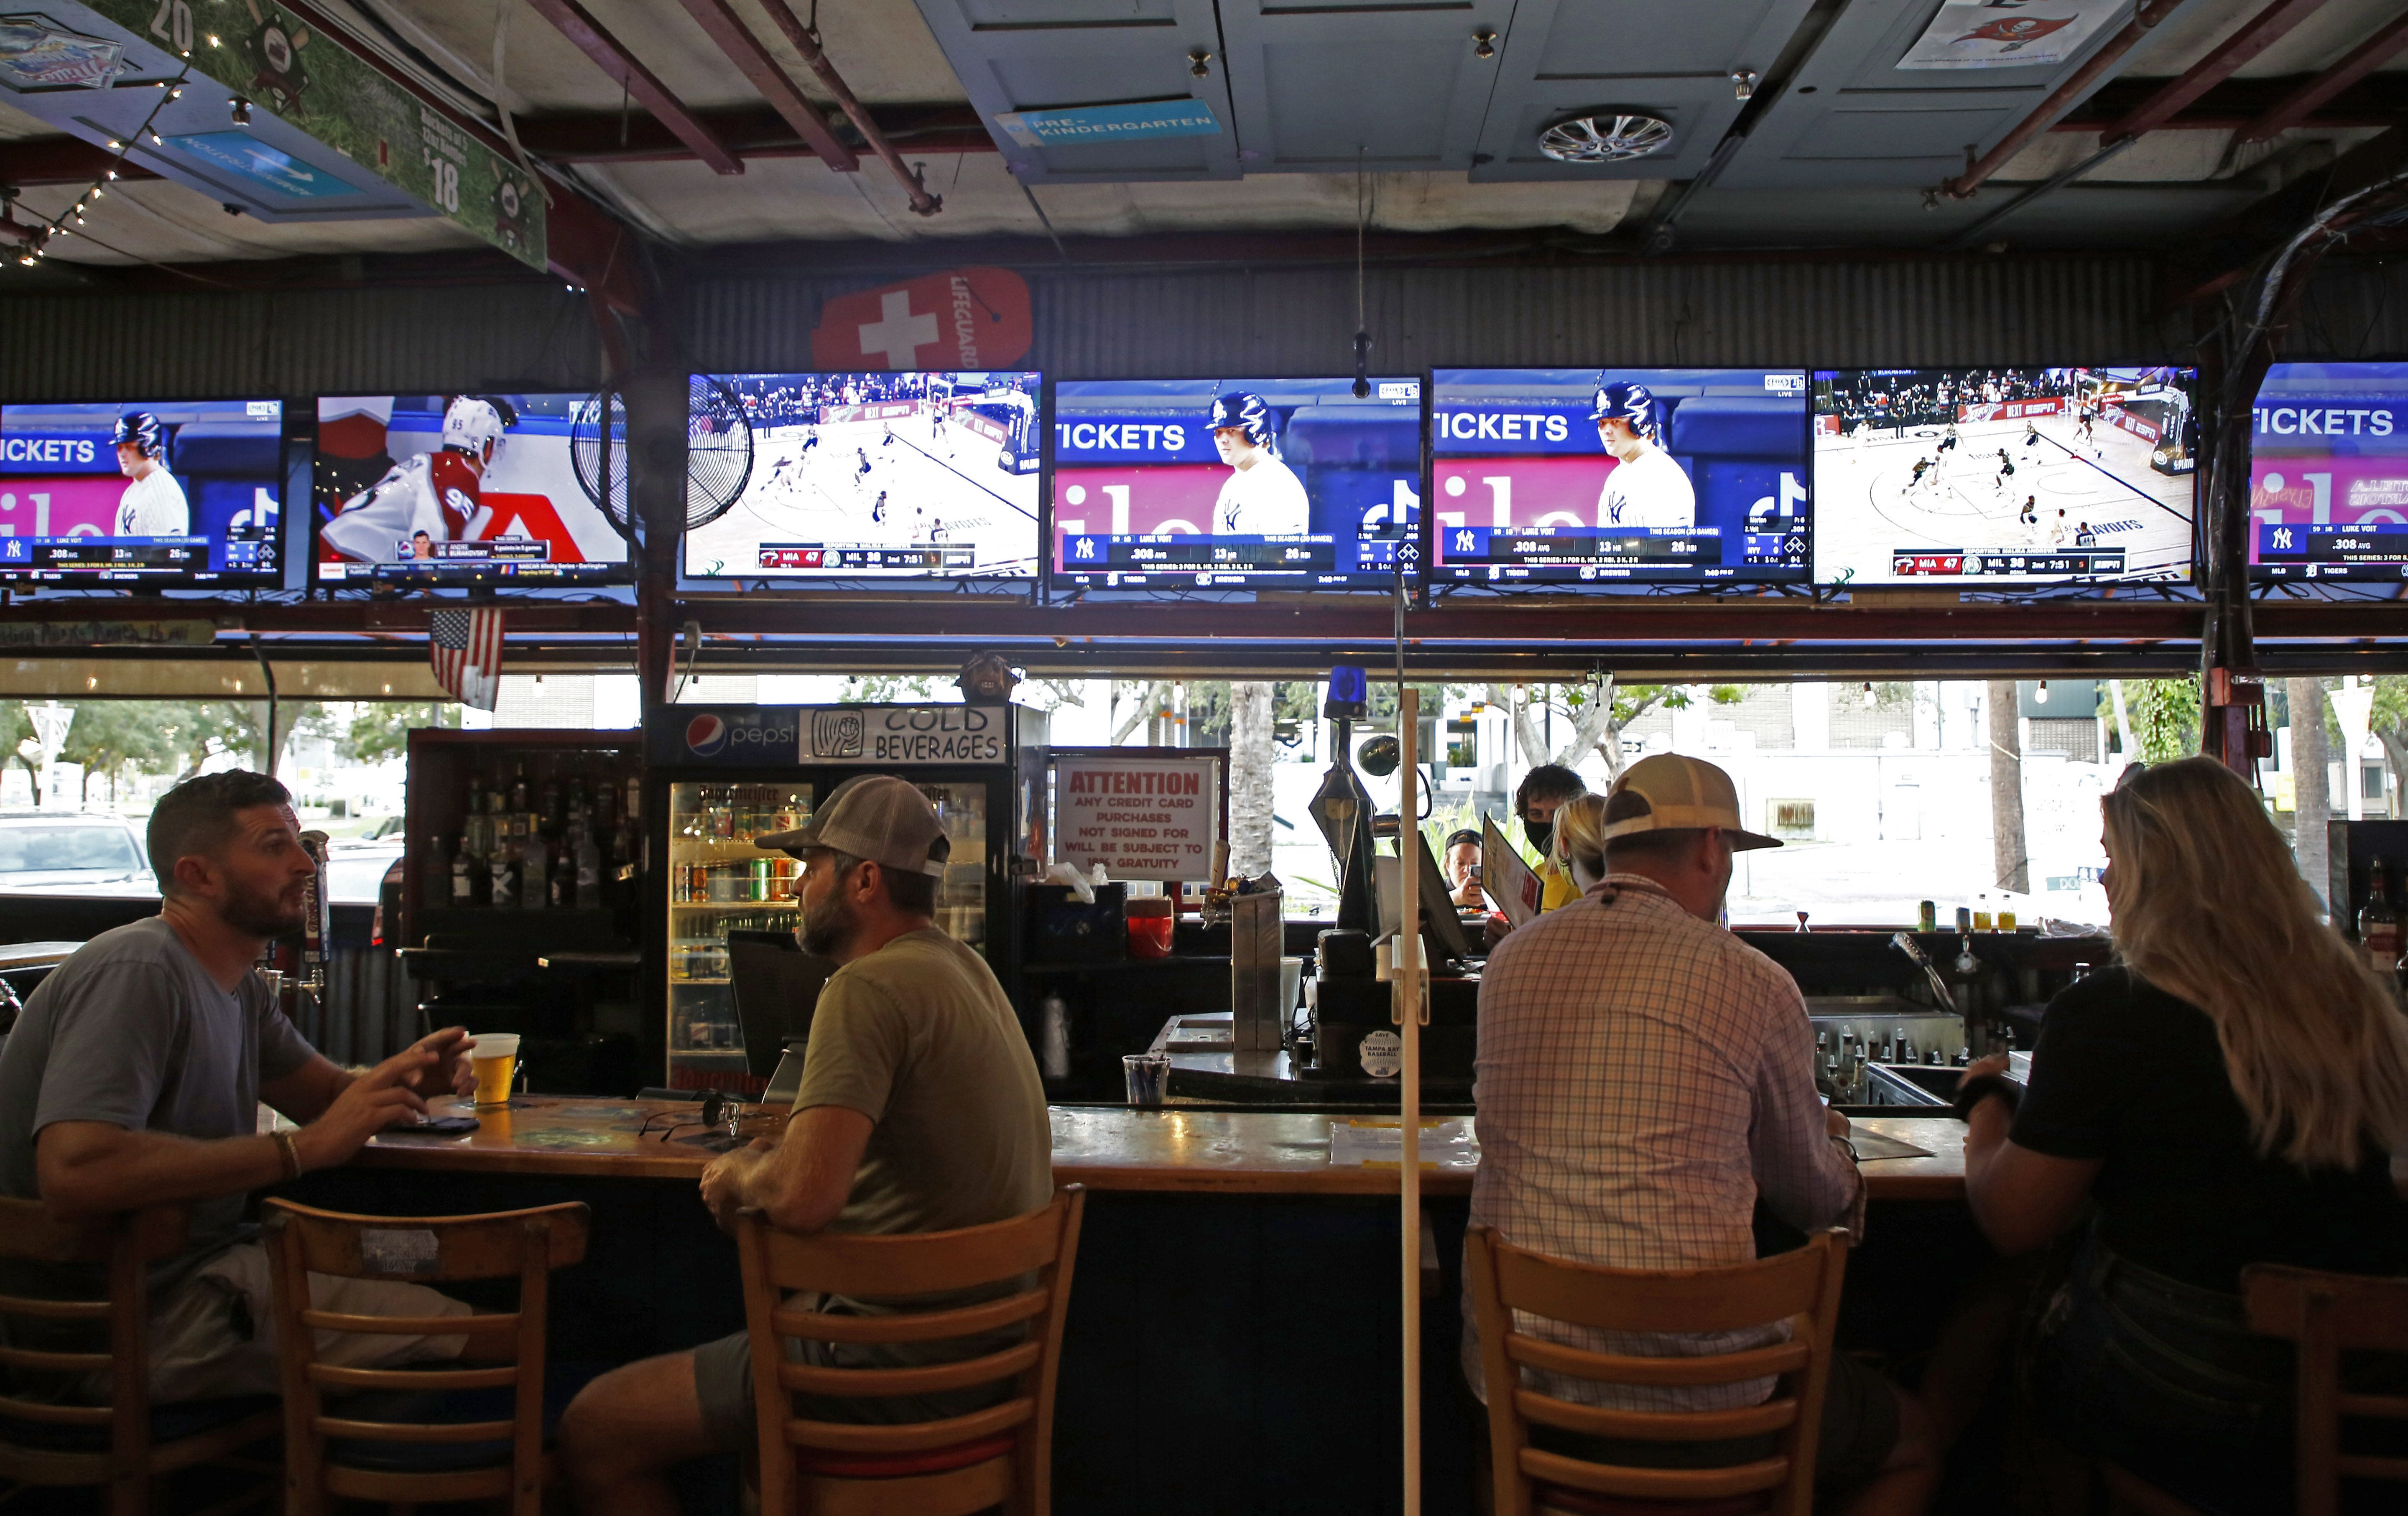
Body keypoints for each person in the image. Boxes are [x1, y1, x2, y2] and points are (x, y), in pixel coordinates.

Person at [560, 776, 1052, 1516]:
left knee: (594, 1425)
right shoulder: (965, 969)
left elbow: (802, 1195)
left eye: (810, 865)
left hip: (877, 1374)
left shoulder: (867, 989)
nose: (797, 884)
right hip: (988, 1369)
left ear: (863, 880)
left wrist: (737, 1173)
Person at [1464, 757, 1939, 1515]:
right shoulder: (1753, 979)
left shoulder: (1510, 963)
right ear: (1713, 849)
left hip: (1530, 1398)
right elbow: (1814, 1197)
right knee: (1917, 1443)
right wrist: (1838, 1149)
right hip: (1711, 1415)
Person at [1961, 757, 2408, 1511]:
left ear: (2157, 870)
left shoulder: (2114, 1010)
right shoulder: (2350, 998)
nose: (2103, 880)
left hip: (2189, 1382)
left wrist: (1983, 1105)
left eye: (2112, 856)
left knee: (2013, 1317)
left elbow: (2013, 1221)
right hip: (2368, 1380)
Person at [0, 770, 480, 1405]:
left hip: (185, 1281)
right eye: (274, 845)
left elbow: (324, 1098)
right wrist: (300, 1150)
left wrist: (403, 1083)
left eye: (299, 843)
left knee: (427, 1282)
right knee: (489, 1334)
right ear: (198, 875)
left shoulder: (236, 983)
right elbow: (76, 1168)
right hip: (117, 1327)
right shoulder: (140, 968)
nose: (306, 864)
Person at [322, 396, 513, 564]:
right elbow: (431, 555)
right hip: (351, 555)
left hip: (337, 545)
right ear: (487, 447)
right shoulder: (459, 475)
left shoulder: (427, 462)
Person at [1592, 381, 1695, 530]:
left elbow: (1662, 551)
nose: (1606, 430)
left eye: (1615, 421)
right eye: (1602, 423)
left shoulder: (1663, 477)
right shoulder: (1617, 477)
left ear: (1640, 424)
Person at [1207, 392, 1309, 537]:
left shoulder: (1277, 484)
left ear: (1256, 432)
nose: (1222, 439)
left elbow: (1275, 557)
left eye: (1231, 431)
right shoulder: (1232, 485)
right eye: (1218, 432)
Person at [1516, 763, 1588, 914]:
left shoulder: (1585, 880)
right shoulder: (1534, 878)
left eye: (1557, 815)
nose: (1548, 823)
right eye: (1536, 814)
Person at [112, 411, 189, 537]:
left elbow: (168, 553)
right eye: (120, 447)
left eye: (130, 446)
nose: (122, 454)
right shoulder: (134, 488)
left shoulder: (162, 494)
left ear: (149, 447)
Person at [1441, 828, 1483, 910]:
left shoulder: (1492, 896)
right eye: (1461, 863)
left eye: (1475, 864)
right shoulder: (1434, 891)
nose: (1467, 870)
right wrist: (1453, 899)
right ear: (1448, 865)